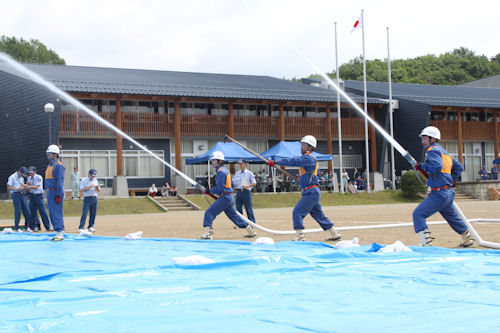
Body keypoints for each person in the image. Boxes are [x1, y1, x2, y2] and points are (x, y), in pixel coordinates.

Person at [271, 135, 341, 242]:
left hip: (311, 192)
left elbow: (294, 161)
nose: (301, 146)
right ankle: (334, 233)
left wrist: (277, 161)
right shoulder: (306, 158)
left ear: (309, 147)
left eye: (303, 144)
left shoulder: (309, 158)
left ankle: (300, 236)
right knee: (319, 215)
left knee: (297, 212)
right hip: (310, 191)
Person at [413, 126, 474, 247]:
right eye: (423, 138)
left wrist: (422, 166)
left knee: (418, 214)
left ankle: (425, 241)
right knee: (453, 218)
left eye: (425, 138)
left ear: (433, 139)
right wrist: (451, 180)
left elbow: (436, 166)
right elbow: (459, 168)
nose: (423, 141)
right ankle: (467, 240)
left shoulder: (432, 150)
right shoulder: (444, 152)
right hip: (448, 193)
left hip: (439, 193)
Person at [199, 151, 256, 239]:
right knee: (234, 216)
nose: (212, 162)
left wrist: (209, 190)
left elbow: (219, 189)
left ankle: (207, 233)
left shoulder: (220, 172)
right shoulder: (225, 170)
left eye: (214, 160)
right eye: (212, 160)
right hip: (228, 197)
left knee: (209, 212)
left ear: (220, 161)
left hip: (225, 197)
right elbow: (232, 184)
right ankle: (250, 231)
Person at [45, 145, 65, 241]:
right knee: (52, 213)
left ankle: (60, 231)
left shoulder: (58, 165)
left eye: (49, 153)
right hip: (50, 191)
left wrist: (59, 194)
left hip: (55, 191)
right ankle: (57, 231)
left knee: (57, 212)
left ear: (55, 154)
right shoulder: (50, 165)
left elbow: (60, 181)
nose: (48, 155)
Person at [26, 166, 51, 231]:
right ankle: (34, 227)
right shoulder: (29, 178)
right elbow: (28, 188)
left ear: (35, 172)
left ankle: (47, 227)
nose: (31, 174)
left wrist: (29, 186)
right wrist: (27, 187)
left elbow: (36, 186)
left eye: (32, 172)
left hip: (39, 196)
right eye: (30, 173)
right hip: (32, 196)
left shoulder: (39, 177)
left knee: (43, 211)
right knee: (32, 212)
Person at [7, 166, 31, 232]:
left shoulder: (21, 177)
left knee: (27, 211)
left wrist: (26, 186)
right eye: (22, 173)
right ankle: (17, 228)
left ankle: (26, 227)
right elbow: (9, 187)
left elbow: (22, 184)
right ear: (19, 171)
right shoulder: (12, 177)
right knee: (18, 211)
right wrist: (17, 189)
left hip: (22, 194)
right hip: (16, 194)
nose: (23, 175)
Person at [232, 159, 257, 223]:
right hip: (238, 192)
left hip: (246, 192)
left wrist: (248, 186)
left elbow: (254, 183)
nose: (240, 165)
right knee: (238, 209)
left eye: (242, 164)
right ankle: (239, 223)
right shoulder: (237, 173)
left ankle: (252, 222)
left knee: (248, 208)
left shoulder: (249, 173)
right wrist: (233, 188)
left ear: (245, 164)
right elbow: (234, 182)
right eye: (239, 164)